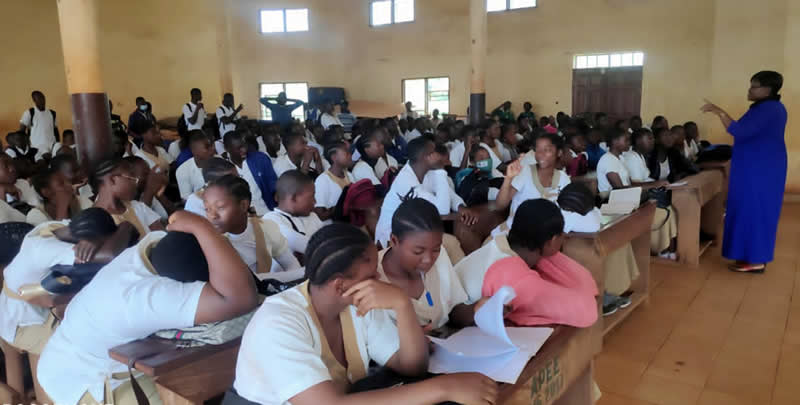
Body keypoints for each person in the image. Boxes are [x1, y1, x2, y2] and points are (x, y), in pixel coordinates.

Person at [228, 222, 497, 405]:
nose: (379, 279)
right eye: (371, 275)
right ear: (340, 286)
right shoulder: (277, 322)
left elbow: (412, 367)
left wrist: (402, 304)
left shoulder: (355, 302)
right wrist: (444, 388)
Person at [38, 211, 260, 405]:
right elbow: (240, 298)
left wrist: (199, 228)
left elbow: (180, 222)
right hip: (85, 379)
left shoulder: (156, 246)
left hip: (88, 353)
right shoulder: (145, 297)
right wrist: (203, 227)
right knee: (185, 390)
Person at [701, 70, 788, 273]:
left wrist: (719, 112)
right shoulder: (765, 107)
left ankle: (755, 260)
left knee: (754, 212)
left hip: (760, 171)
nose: (749, 90)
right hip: (757, 168)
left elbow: (739, 131)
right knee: (748, 210)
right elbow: (743, 130)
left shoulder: (769, 109)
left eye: (754, 86)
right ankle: (750, 256)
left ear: (767, 89)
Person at [480, 199, 598, 327]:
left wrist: (547, 252)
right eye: (561, 234)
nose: (564, 237)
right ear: (553, 240)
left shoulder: (506, 245)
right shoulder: (520, 278)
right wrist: (549, 252)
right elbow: (587, 310)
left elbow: (589, 286)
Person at [378, 198, 480, 330]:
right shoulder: (373, 277)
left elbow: (454, 309)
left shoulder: (439, 255)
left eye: (436, 249)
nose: (428, 259)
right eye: (418, 251)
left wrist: (478, 309)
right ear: (394, 241)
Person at [375, 136, 476, 248]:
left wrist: (461, 207)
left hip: (415, 227)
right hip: (393, 236)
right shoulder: (406, 181)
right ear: (426, 157)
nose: (438, 155)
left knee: (463, 229)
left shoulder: (426, 171)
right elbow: (442, 210)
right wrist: (440, 169)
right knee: (452, 242)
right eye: (434, 152)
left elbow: (449, 194)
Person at [600, 129, 678, 259]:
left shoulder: (620, 158)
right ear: (615, 142)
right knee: (659, 212)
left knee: (665, 209)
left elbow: (629, 183)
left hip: (626, 199)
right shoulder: (608, 160)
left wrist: (652, 186)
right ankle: (659, 248)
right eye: (626, 140)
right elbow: (620, 189)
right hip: (614, 203)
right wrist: (652, 186)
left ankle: (665, 249)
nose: (629, 143)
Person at [203, 175, 301, 274]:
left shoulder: (266, 228)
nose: (213, 216)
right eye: (207, 209)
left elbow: (291, 264)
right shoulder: (209, 244)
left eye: (220, 207)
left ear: (243, 205)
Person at [493, 133, 571, 234]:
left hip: (545, 235)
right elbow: (500, 205)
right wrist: (508, 178)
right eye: (538, 150)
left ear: (559, 152)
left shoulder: (563, 179)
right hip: (515, 233)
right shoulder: (525, 172)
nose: (541, 154)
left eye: (547, 150)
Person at [90, 159, 164, 237]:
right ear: (113, 180)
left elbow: (163, 236)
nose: (136, 183)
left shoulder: (138, 206)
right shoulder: (94, 222)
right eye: (132, 178)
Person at [263, 170, 324, 263]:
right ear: (294, 198)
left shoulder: (312, 216)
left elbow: (329, 241)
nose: (315, 202)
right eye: (312, 196)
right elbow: (298, 242)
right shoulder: (270, 219)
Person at [223, 130, 274, 216]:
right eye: (239, 148)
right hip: (243, 217)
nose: (244, 150)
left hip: (267, 211)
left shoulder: (260, 159)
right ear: (227, 149)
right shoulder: (224, 168)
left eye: (244, 145)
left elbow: (273, 184)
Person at [314, 142, 354, 222]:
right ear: (334, 157)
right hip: (334, 226)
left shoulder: (349, 175)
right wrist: (341, 206)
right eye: (346, 153)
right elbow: (320, 215)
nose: (350, 156)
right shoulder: (323, 180)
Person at [177, 131, 216, 200]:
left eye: (212, 145)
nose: (212, 149)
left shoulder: (220, 161)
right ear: (194, 150)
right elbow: (186, 200)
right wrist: (206, 187)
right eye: (207, 147)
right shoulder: (183, 170)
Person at [19, 91, 57, 159]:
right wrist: (26, 146)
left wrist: (57, 142)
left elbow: (55, 130)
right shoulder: (29, 113)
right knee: (47, 158)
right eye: (39, 99)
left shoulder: (52, 113)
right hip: (37, 146)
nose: (42, 101)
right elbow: (22, 131)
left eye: (43, 98)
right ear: (34, 101)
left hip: (52, 145)